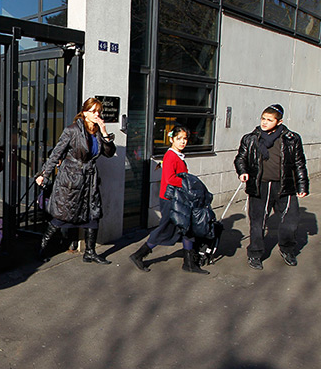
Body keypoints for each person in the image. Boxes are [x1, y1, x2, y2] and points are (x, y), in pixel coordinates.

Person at [36, 97, 116, 264]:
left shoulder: (97, 131)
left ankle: (90, 252)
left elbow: (108, 153)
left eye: (98, 111)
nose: (96, 114)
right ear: (84, 112)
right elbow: (56, 154)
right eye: (93, 111)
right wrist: (44, 174)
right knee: (62, 216)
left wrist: (104, 130)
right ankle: (42, 248)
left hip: (90, 180)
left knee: (93, 215)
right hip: (71, 179)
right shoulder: (72, 130)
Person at [234, 104, 309, 270]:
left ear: (279, 121)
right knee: (257, 223)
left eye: (269, 120)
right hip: (260, 186)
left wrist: (302, 184)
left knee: (290, 222)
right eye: (263, 119)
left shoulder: (292, 138)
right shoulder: (251, 138)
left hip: (285, 186)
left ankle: (287, 249)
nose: (265, 122)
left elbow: (299, 163)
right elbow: (240, 158)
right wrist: (242, 171)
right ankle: (255, 254)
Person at [127, 125, 209, 274]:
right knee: (165, 228)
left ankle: (189, 263)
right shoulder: (171, 156)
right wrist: (188, 183)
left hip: (179, 199)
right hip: (170, 199)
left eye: (185, 139)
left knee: (187, 228)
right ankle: (139, 255)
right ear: (171, 139)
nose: (183, 142)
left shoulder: (178, 155)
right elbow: (171, 179)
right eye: (179, 139)